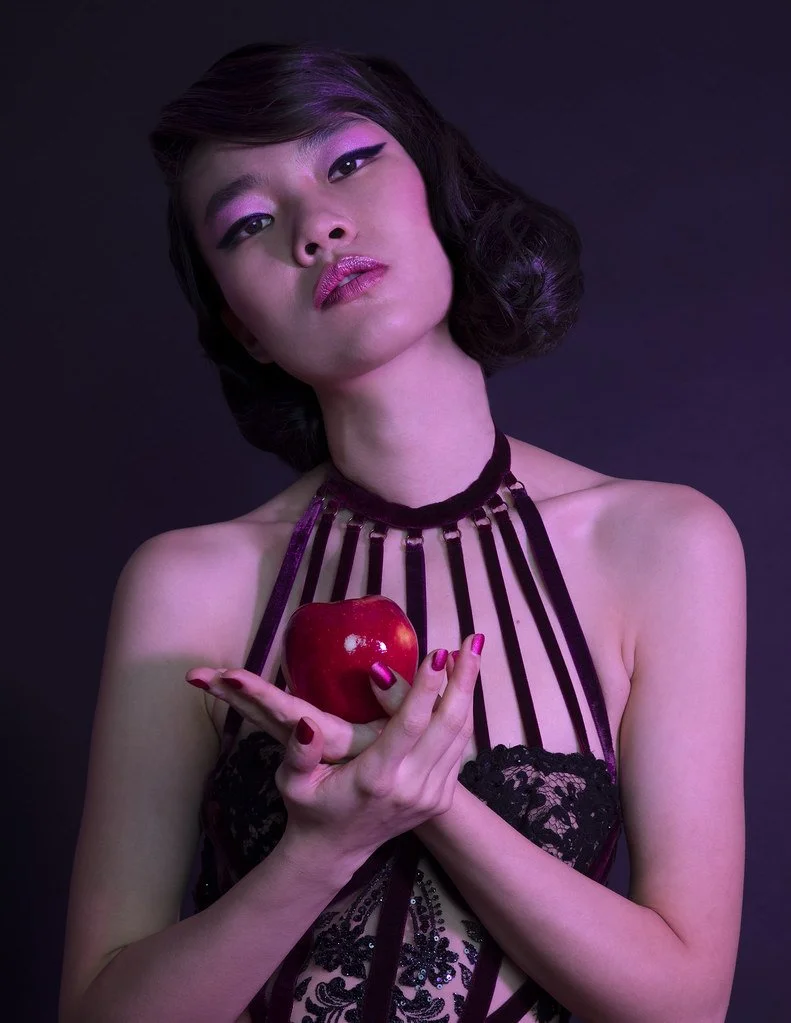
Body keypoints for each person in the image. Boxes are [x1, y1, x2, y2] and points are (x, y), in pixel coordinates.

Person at [58, 40, 746, 1023]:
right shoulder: (187, 585)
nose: (316, 227)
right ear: (239, 323)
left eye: (347, 162)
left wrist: (433, 803)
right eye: (249, 223)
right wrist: (316, 852)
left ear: (434, 187)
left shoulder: (659, 544)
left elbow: (682, 1005)